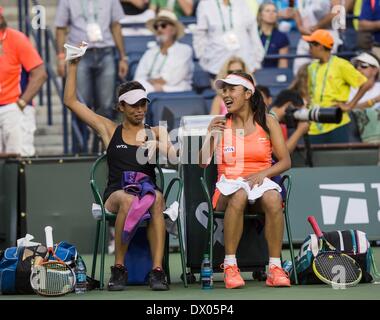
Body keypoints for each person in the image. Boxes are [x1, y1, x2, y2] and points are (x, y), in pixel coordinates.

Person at [64, 52, 177, 291]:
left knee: (157, 199)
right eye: (134, 105)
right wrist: (73, 65)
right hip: (117, 192)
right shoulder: (108, 129)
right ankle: (119, 268)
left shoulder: (157, 131)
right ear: (121, 106)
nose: (140, 109)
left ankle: (157, 271)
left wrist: (160, 146)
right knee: (128, 199)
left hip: (147, 190)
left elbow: (176, 156)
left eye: (143, 103)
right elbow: (71, 102)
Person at [199, 72, 292, 289]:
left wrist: (263, 174)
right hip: (227, 187)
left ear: (248, 93)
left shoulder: (268, 121)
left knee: (272, 197)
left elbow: (285, 161)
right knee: (239, 194)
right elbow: (202, 163)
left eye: (232, 89)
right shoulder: (219, 123)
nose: (226, 95)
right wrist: (211, 135)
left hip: (259, 184)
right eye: (224, 90)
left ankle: (275, 268)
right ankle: (230, 265)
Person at [55, 0, 128, 153]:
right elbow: (61, 28)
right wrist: (61, 57)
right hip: (79, 54)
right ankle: (79, 151)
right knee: (80, 105)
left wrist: (123, 57)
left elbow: (115, 25)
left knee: (106, 106)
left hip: (105, 51)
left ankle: (105, 150)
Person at [303, 29, 372, 144]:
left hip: (337, 122)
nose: (309, 50)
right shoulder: (311, 67)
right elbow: (310, 92)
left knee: (337, 160)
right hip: (315, 124)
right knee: (315, 160)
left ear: (320, 46)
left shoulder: (341, 65)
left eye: (311, 46)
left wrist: (350, 105)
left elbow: (366, 83)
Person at [0, 6, 47, 156]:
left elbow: (40, 74)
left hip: (14, 106)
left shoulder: (16, 38)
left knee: (20, 159)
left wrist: (20, 103)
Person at [193, 0, 264, 78]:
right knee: (221, 90)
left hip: (244, 61)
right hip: (216, 64)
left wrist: (257, 60)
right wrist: (203, 61)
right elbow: (200, 34)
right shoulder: (205, 4)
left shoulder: (241, 2)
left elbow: (253, 31)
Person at [134, 10, 193, 93]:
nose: (159, 29)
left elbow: (172, 80)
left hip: (175, 94)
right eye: (156, 27)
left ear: (174, 30)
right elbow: (138, 77)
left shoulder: (184, 50)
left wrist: (152, 83)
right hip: (148, 91)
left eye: (163, 25)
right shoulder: (150, 52)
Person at [293, 0, 343, 75]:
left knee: (324, 72)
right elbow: (295, 9)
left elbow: (336, 12)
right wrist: (300, 26)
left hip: (326, 36)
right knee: (299, 72)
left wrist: (316, 27)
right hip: (306, 37)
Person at [257, 2, 290, 68]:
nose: (271, 13)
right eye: (267, 11)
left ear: (277, 15)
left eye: (274, 11)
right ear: (260, 15)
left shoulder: (282, 37)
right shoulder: (253, 34)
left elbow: (283, 66)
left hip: (273, 75)